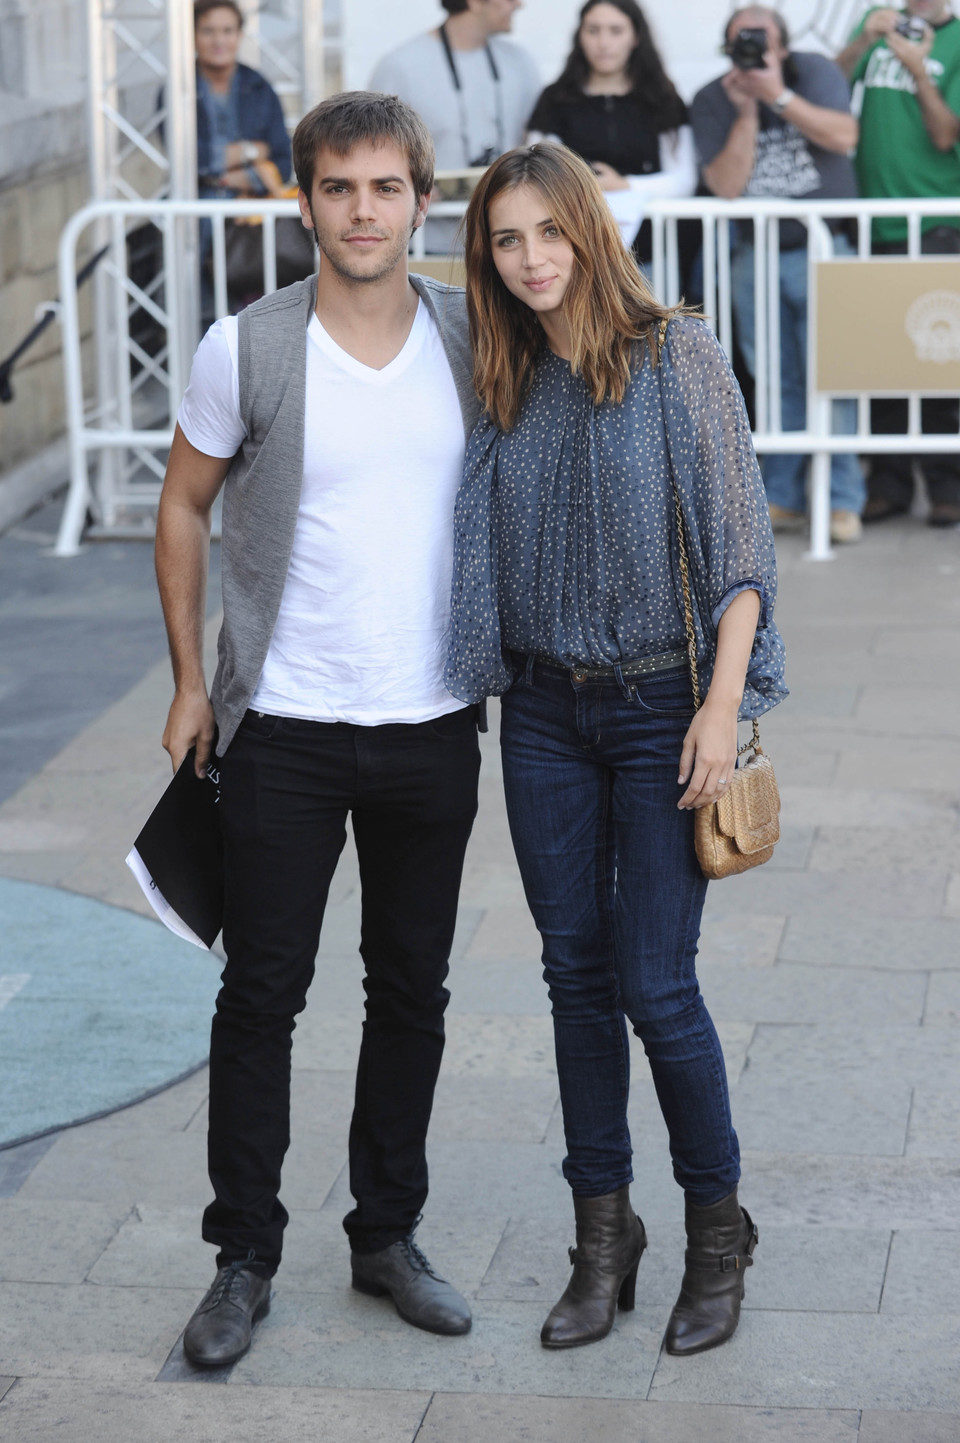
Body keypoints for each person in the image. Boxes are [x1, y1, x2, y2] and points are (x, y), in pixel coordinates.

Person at [155, 90, 482, 1369]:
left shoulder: (471, 337)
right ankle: (243, 1257)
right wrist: (192, 679)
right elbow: (183, 509)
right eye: (338, 188)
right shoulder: (247, 347)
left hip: (432, 723)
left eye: (385, 188)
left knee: (411, 990)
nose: (362, 211)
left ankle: (385, 1236)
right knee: (262, 998)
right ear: (305, 202)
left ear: (420, 199)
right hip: (281, 726)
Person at [445, 142, 787, 1355]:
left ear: (589, 229)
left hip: (660, 709)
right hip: (540, 713)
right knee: (573, 978)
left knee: (656, 983)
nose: (532, 259)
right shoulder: (501, 375)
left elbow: (743, 550)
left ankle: (716, 1233)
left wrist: (717, 706)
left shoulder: (677, 355)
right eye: (505, 240)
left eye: (549, 231)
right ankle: (604, 1241)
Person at [691, 6, 866, 544]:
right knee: (773, 380)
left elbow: (844, 137)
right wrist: (748, 111)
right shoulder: (714, 98)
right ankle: (784, 497)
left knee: (835, 378)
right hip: (756, 254)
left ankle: (840, 503)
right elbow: (724, 185)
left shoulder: (814, 72)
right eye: (739, 42)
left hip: (823, 247)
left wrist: (779, 96)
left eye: (760, 41)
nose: (751, 51)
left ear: (784, 48)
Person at [837, 0, 960, 526]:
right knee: (879, 355)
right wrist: (866, 39)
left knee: (933, 355)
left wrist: (917, 70)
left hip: (934, 218)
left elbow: (945, 134)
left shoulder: (955, 40)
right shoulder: (876, 20)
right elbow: (832, 87)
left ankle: (945, 485)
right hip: (873, 217)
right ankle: (886, 481)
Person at [526, 0, 695, 255]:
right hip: (575, 250)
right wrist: (585, 185)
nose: (603, 43)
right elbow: (534, 170)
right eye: (593, 30)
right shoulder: (556, 98)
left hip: (649, 253)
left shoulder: (663, 99)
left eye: (616, 31)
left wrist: (625, 185)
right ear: (580, 36)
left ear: (636, 37)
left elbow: (684, 179)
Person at [369, 0, 540, 250]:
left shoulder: (521, 63)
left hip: (509, 243)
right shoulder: (400, 67)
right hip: (428, 244)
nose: (519, 5)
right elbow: (373, 154)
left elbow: (539, 142)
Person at [193, 0, 291, 202]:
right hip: (195, 211)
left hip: (252, 214)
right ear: (192, 36)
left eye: (227, 31)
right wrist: (252, 151)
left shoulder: (259, 87)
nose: (218, 41)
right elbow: (189, 161)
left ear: (239, 35)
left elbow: (283, 163)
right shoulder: (179, 91)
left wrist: (228, 179)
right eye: (208, 31)